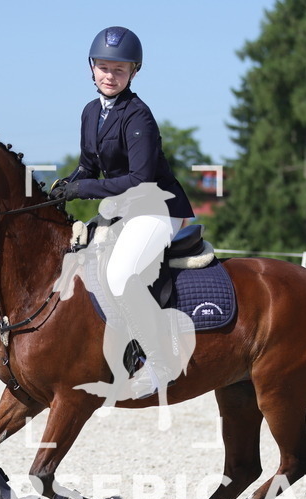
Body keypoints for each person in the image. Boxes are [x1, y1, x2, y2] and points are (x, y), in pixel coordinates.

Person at [50, 26, 195, 401]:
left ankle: (160, 361)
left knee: (119, 274)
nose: (109, 75)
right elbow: (88, 166)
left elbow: (139, 179)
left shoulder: (138, 116)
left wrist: (83, 189)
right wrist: (65, 186)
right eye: (103, 67)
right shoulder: (89, 112)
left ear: (133, 72)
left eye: (119, 69)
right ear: (91, 69)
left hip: (158, 208)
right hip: (124, 211)